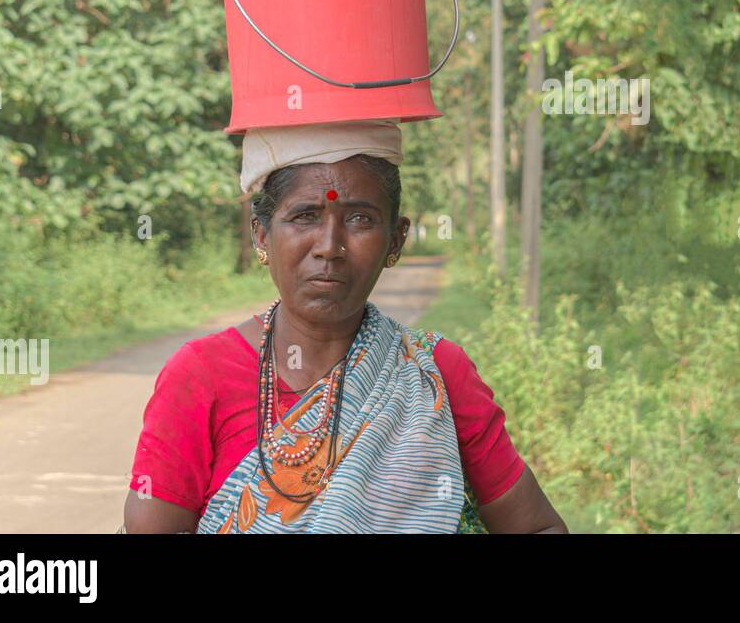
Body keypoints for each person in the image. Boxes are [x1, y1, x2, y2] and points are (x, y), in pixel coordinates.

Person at [122, 120, 566, 533]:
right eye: (305, 216)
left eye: (360, 219)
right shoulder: (201, 375)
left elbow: (538, 526)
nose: (330, 246)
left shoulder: (436, 372)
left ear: (396, 239)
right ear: (261, 235)